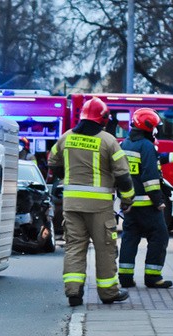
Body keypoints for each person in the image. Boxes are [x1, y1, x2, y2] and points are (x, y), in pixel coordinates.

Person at [48, 96, 133, 306]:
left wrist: (67, 175)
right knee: (105, 248)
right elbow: (123, 175)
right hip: (99, 207)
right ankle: (108, 293)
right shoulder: (108, 141)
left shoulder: (66, 138)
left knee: (75, 247)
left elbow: (53, 163)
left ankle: (73, 293)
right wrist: (127, 199)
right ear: (103, 119)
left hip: (72, 204)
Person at [117, 108, 173, 289]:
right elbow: (150, 177)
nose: (157, 131)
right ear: (149, 127)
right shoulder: (147, 146)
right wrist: (158, 201)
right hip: (148, 204)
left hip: (130, 204)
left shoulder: (124, 144)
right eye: (156, 127)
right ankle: (153, 276)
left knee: (130, 238)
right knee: (159, 235)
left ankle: (125, 277)